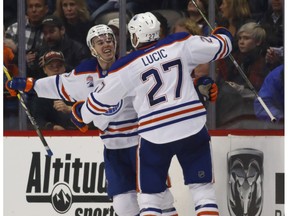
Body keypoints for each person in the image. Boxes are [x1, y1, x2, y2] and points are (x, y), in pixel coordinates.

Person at [68, 12, 232, 215]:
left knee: (150, 198)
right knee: (203, 191)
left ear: (135, 36)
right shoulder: (180, 42)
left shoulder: (126, 65)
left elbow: (97, 103)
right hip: (192, 126)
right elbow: (223, 46)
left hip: (155, 134)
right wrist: (222, 34)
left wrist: (80, 113)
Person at [6, 24, 179, 216]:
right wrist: (27, 84)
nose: (106, 45)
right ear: (92, 48)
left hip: (141, 144)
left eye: (109, 40)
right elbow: (59, 83)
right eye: (100, 42)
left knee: (158, 197)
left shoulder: (130, 65)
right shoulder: (85, 73)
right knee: (123, 205)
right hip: (113, 148)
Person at [216, 22, 269, 129]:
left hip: (251, 112)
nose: (241, 42)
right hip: (231, 106)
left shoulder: (261, 62)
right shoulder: (235, 58)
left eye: (246, 38)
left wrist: (238, 89)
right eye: (240, 38)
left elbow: (258, 93)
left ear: (258, 42)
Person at [29, 14, 91, 79]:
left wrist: (61, 65)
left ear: (62, 30)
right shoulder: (41, 50)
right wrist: (30, 64)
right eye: (45, 33)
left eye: (51, 31)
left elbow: (85, 73)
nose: (48, 36)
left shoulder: (78, 49)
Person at [28, 50, 77, 130]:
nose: (56, 69)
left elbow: (90, 112)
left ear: (64, 68)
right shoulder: (40, 92)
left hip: (80, 135)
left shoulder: (76, 88)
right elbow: (37, 120)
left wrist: (70, 109)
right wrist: (52, 127)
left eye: (59, 66)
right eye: (51, 66)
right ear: (44, 70)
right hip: (53, 138)